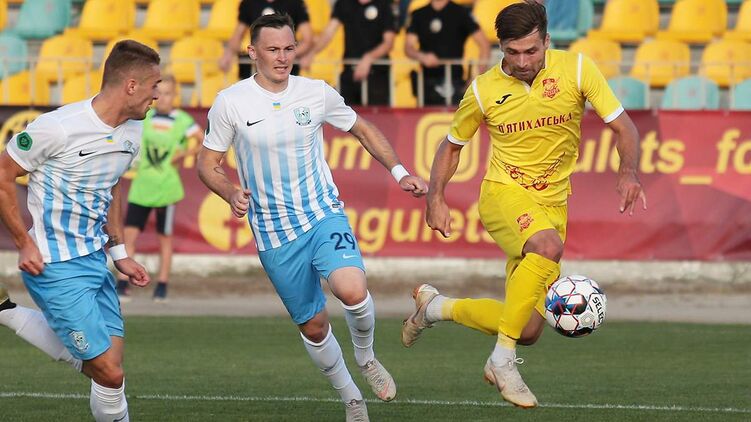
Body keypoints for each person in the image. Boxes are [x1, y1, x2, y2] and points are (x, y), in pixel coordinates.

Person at [402, 0, 646, 408]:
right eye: (511, 52)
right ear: (500, 48)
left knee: (529, 328)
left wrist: (628, 172)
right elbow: (451, 145)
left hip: (553, 205)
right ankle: (502, 360)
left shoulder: (577, 69)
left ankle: (436, 307)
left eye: (531, 51)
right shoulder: (483, 89)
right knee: (548, 247)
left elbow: (625, 127)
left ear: (547, 41)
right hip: (503, 194)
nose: (522, 61)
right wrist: (435, 197)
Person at [198, 13, 427, 421]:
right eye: (273, 49)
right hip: (273, 233)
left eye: (289, 48)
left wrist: (400, 172)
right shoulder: (231, 102)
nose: (283, 57)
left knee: (352, 290)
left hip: (322, 213)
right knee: (315, 327)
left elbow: (363, 129)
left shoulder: (315, 92)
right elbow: (207, 163)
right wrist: (230, 191)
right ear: (252, 52)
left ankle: (366, 357)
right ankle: (351, 399)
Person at [0, 40, 159, 421]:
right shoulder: (57, 127)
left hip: (95, 260)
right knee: (109, 372)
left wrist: (120, 254)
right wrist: (24, 243)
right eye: (154, 85)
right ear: (131, 86)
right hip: (53, 264)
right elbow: (3, 174)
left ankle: (4, 310)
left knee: (109, 370)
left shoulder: (133, 130)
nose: (158, 94)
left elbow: (111, 184)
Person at [115, 74, 204, 303]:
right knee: (129, 235)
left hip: (166, 189)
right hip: (142, 186)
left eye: (168, 93)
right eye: (160, 93)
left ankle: (162, 284)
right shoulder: (146, 117)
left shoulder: (182, 120)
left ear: (175, 95)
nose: (163, 98)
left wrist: (184, 154)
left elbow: (203, 140)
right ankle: (123, 282)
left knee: (165, 238)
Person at [404, 0, 490, 105]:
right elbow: (408, 47)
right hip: (427, 82)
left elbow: (484, 44)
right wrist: (422, 56)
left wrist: (475, 78)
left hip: (455, 81)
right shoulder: (418, 14)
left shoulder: (461, 12)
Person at [312, 0, 396, 105]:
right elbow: (328, 33)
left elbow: (388, 42)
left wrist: (369, 58)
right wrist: (311, 53)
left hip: (377, 74)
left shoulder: (384, 5)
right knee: (343, 110)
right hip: (349, 72)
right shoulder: (344, 3)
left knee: (376, 113)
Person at [218, 0, 314, 78]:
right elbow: (238, 35)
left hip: (286, 71)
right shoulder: (249, 3)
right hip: (256, 67)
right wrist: (228, 54)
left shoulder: (295, 2)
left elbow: (307, 39)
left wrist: (285, 56)